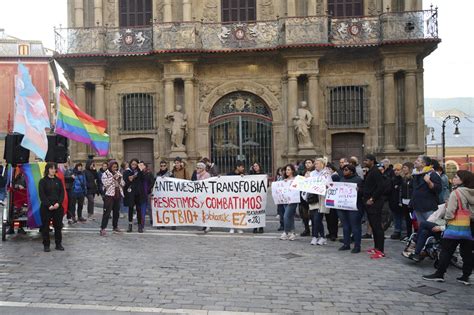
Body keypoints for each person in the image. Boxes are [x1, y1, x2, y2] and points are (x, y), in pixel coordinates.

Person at [423, 170, 474, 285]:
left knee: (446, 250)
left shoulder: (456, 193)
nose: (454, 179)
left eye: (456, 177)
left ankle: (440, 273)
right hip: (470, 226)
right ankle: (465, 276)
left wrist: (446, 220)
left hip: (455, 225)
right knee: (467, 252)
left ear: (463, 180)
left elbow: (450, 212)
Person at [362, 154, 386, 259]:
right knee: (373, 225)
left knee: (377, 227)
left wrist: (373, 198)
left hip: (374, 203)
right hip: (369, 202)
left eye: (366, 160)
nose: (364, 162)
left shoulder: (376, 171)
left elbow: (381, 187)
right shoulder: (370, 171)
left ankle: (380, 250)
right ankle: (376, 247)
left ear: (372, 161)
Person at [38, 162, 65, 252]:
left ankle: (58, 244)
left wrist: (58, 203)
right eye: (51, 168)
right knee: (45, 227)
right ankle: (46, 245)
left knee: (58, 226)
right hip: (46, 208)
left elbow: (62, 193)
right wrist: (49, 205)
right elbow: (42, 195)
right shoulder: (42, 181)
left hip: (57, 207)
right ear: (47, 169)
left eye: (54, 168)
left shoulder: (58, 181)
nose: (53, 170)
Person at [337, 164, 364, 253]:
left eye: (346, 170)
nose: (344, 171)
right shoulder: (342, 179)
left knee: (355, 226)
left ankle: (357, 245)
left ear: (351, 171)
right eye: (343, 170)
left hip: (355, 207)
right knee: (345, 226)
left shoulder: (358, 180)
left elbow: (364, 192)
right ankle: (346, 244)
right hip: (343, 206)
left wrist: (359, 190)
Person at [410, 155, 441, 225]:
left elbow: (438, 189)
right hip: (417, 207)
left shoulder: (432, 174)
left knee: (431, 227)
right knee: (422, 228)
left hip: (428, 208)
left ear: (423, 164)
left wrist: (429, 182)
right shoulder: (415, 174)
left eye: (418, 161)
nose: (415, 162)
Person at [308, 158, 332, 246]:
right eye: (315, 164)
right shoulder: (312, 173)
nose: (316, 165)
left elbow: (330, 184)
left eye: (318, 163)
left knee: (318, 218)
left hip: (322, 199)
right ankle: (321, 236)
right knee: (313, 218)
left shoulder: (326, 173)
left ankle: (316, 236)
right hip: (313, 198)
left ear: (322, 164)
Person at [100, 160, 125, 236]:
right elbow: (105, 184)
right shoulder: (105, 174)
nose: (115, 168)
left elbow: (123, 183)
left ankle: (115, 226)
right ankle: (103, 228)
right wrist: (113, 178)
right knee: (107, 212)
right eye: (114, 167)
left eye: (116, 167)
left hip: (117, 194)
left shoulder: (118, 173)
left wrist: (120, 179)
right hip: (109, 195)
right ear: (110, 167)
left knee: (116, 212)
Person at [124, 159, 147, 233]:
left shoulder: (139, 171)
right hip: (130, 193)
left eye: (135, 164)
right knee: (130, 209)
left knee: (138, 209)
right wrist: (133, 177)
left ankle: (140, 226)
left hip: (138, 193)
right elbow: (127, 181)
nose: (134, 166)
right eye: (132, 164)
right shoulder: (127, 171)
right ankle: (130, 225)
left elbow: (144, 179)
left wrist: (141, 171)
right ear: (130, 164)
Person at [280, 164, 299, 241]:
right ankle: (293, 233)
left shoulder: (296, 179)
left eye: (288, 170)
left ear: (292, 171)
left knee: (286, 216)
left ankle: (286, 232)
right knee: (290, 217)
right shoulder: (285, 180)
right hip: (285, 200)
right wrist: (284, 183)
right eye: (286, 170)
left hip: (293, 201)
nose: (287, 171)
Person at [227, 161, 246, 234]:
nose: (243, 168)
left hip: (240, 197)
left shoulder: (243, 175)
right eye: (242, 167)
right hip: (231, 196)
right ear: (237, 167)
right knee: (232, 212)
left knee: (239, 212)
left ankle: (239, 227)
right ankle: (231, 227)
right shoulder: (230, 174)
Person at [299, 159, 314, 237]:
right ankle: (306, 229)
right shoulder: (302, 173)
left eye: (309, 163)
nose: (307, 164)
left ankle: (315, 230)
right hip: (303, 196)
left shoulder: (315, 173)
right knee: (304, 214)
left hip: (312, 197)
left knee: (313, 214)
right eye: (306, 163)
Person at [389, 164, 404, 240]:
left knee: (401, 217)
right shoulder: (392, 179)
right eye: (395, 170)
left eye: (398, 170)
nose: (396, 172)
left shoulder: (403, 179)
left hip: (401, 201)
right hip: (394, 201)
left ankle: (402, 232)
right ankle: (397, 230)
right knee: (396, 217)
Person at [400, 162, 414, 239]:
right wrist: (400, 200)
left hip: (411, 201)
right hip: (404, 200)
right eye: (403, 168)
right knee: (407, 219)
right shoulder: (403, 178)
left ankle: (414, 235)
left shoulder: (412, 178)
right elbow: (401, 190)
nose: (404, 169)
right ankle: (408, 235)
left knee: (413, 219)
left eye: (405, 167)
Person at [249, 162, 265, 234]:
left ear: (259, 166)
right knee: (254, 211)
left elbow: (265, 185)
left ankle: (261, 227)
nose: (255, 167)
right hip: (253, 196)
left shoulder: (263, 175)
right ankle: (255, 226)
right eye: (254, 166)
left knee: (261, 211)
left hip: (261, 196)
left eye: (256, 166)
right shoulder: (251, 175)